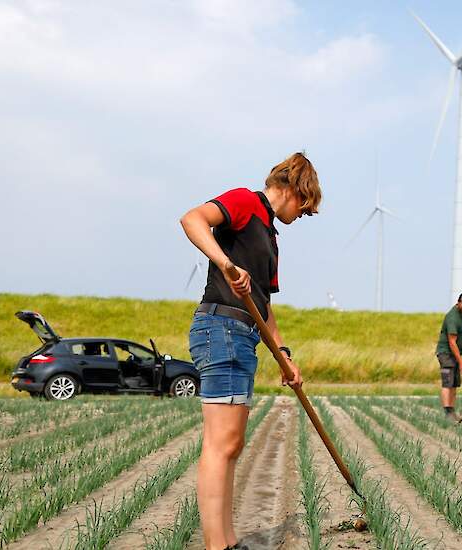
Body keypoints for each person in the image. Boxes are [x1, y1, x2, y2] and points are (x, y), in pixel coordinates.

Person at [179, 152, 321, 550]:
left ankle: (228, 540)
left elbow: (264, 307)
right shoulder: (246, 201)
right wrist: (226, 265)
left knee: (232, 444)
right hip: (220, 327)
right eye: (304, 207)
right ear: (293, 189)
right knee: (220, 443)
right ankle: (216, 545)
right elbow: (192, 219)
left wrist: (285, 357)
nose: (302, 215)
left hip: (243, 335)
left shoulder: (271, 239)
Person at [435, 292, 462, 423]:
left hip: (455, 353)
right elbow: (452, 342)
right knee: (448, 383)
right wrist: (461, 361)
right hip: (446, 353)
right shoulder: (452, 317)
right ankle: (447, 414)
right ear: (458, 303)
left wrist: (459, 358)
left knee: (455, 384)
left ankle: (452, 412)